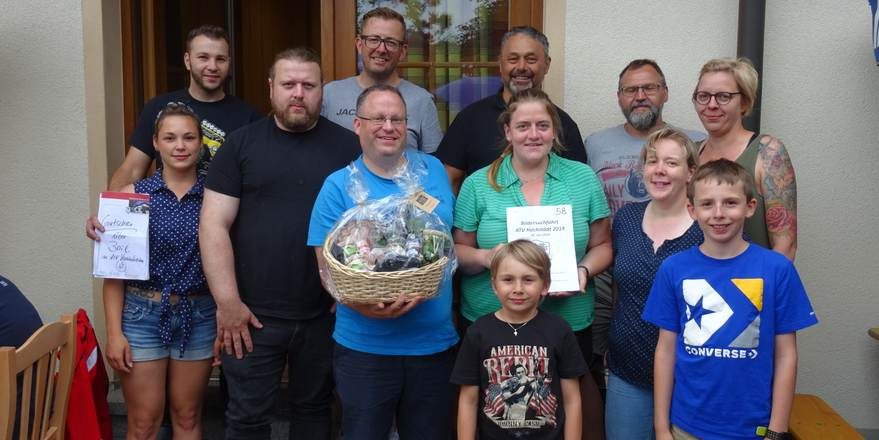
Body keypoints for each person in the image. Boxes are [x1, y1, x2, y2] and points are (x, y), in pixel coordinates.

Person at [200, 48, 359, 438]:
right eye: (289, 84)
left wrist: (349, 292)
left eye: (309, 85)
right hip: (251, 316)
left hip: (325, 314)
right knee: (247, 419)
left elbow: (365, 227)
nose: (298, 93)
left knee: (315, 413)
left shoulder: (348, 149)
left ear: (322, 90)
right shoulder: (240, 145)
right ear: (271, 88)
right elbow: (213, 225)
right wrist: (227, 303)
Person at [453, 88, 610, 439]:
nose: (533, 134)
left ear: (555, 131)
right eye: (523, 126)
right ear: (508, 131)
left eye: (542, 125)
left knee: (566, 412)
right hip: (491, 324)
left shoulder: (583, 178)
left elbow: (602, 245)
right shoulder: (478, 184)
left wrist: (583, 270)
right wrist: (486, 256)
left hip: (568, 320)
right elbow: (459, 252)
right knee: (496, 417)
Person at [308, 84, 458, 440]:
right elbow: (327, 270)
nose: (388, 127)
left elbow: (447, 242)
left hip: (432, 345)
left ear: (407, 125)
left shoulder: (434, 171)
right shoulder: (338, 186)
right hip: (365, 349)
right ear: (357, 125)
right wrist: (366, 306)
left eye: (397, 119)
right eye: (378, 118)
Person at [643, 159, 817, 440]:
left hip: (754, 429)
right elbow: (665, 351)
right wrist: (662, 427)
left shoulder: (777, 269)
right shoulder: (673, 269)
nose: (718, 214)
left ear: (750, 206)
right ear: (692, 210)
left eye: (730, 203)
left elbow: (786, 355)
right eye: (707, 204)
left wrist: (777, 430)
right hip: (686, 427)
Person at [585, 59, 705, 390]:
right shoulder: (595, 144)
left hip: (679, 281)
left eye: (649, 88)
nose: (640, 96)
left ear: (665, 92)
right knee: (603, 364)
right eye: (630, 89)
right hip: (614, 268)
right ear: (619, 96)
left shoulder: (698, 141)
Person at [102, 103, 216, 439]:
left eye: (188, 137)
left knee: (188, 416)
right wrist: (114, 334)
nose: (180, 146)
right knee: (143, 422)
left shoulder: (215, 196)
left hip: (199, 314)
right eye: (170, 138)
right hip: (142, 316)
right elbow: (115, 272)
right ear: (155, 142)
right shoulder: (134, 197)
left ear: (201, 143)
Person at [86, 25, 262, 239]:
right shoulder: (159, 108)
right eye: (203, 57)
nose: (212, 66)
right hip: (167, 224)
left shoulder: (249, 118)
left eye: (221, 59)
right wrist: (110, 215)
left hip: (227, 229)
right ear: (188, 61)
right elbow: (132, 169)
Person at [603, 128, 703, 439]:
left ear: (690, 172)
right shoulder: (626, 220)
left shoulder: (709, 228)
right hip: (628, 371)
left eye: (671, 163)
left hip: (690, 377)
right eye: (652, 161)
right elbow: (620, 290)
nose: (659, 170)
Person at [452, 240, 586, 440]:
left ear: (545, 285)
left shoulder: (559, 330)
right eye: (508, 279)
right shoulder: (478, 332)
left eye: (528, 280)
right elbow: (468, 401)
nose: (518, 288)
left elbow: (572, 400)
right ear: (494, 285)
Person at [435, 26, 588, 194]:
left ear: (546, 64)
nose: (521, 67)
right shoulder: (470, 119)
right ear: (500, 64)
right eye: (513, 59)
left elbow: (578, 187)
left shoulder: (563, 124)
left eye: (531, 59)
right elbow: (448, 182)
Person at [692, 57, 797, 260]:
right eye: (703, 96)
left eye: (723, 96)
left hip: (754, 278)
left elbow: (786, 246)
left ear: (745, 102)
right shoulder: (690, 155)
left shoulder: (767, 153)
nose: (711, 105)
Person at [321, 7, 442, 153]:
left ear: (402, 51)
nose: (381, 49)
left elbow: (433, 162)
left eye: (391, 42)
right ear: (359, 45)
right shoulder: (329, 95)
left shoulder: (422, 101)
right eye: (373, 40)